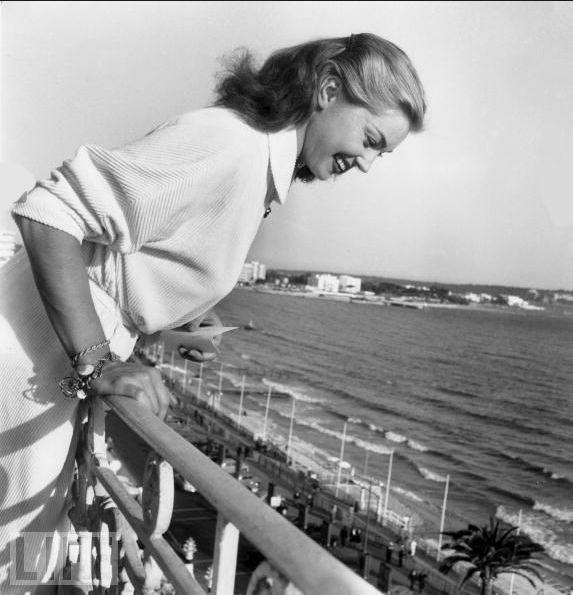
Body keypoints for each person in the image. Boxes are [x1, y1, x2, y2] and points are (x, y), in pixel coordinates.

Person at [0, 32, 426, 591]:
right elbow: (48, 211)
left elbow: (123, 266)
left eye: (382, 154)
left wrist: (171, 327)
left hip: (50, 353)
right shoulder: (232, 146)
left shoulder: (255, 165)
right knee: (20, 558)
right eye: (371, 139)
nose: (367, 164)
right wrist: (98, 362)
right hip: (35, 354)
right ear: (326, 90)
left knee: (32, 549)